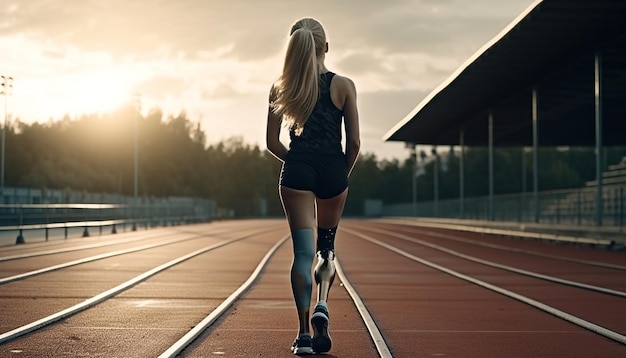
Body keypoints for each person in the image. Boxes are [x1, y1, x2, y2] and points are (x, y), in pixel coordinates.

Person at [266, 17, 360, 355]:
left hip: (297, 175)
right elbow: (354, 144)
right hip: (334, 174)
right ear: (326, 47)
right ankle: (323, 302)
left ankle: (303, 335)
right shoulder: (344, 85)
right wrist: (339, 173)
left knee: (302, 254)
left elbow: (271, 143)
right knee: (326, 249)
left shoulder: (281, 88)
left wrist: (297, 162)